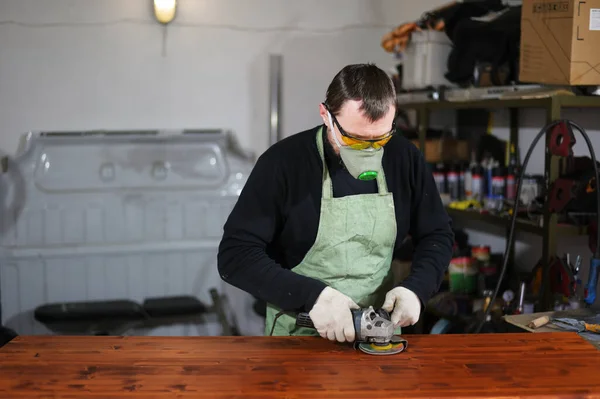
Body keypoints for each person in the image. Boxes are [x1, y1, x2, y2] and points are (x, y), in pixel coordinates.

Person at [218, 63, 454, 342]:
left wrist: (417, 288)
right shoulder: (283, 164)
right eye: (355, 140)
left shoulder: (404, 158)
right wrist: (313, 297)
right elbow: (236, 256)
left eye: (379, 139)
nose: (368, 150)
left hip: (379, 334)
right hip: (299, 335)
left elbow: (436, 234)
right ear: (326, 116)